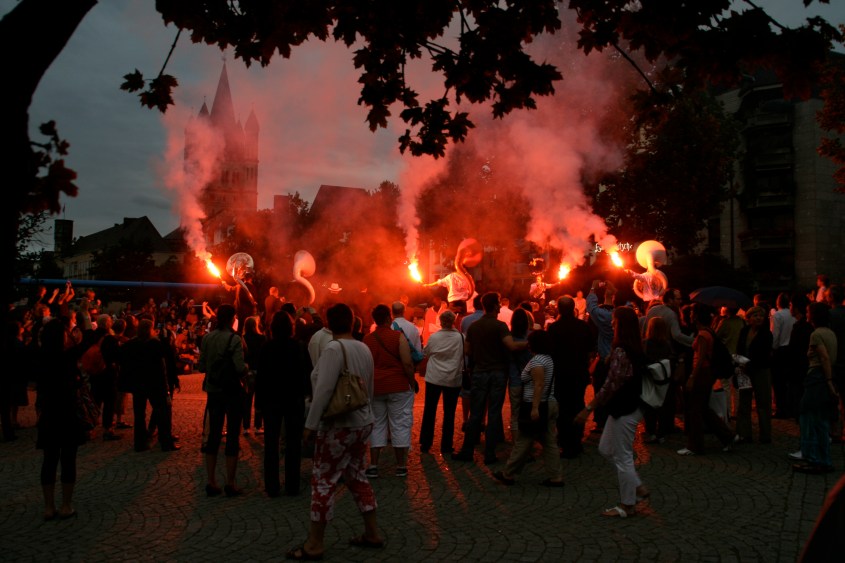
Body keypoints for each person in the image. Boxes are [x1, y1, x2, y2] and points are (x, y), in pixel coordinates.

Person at [285, 303, 382, 560]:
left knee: (323, 481)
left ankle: (315, 543)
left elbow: (324, 391)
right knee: (357, 476)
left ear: (328, 324)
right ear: (352, 322)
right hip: (362, 422)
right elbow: (369, 386)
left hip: (339, 425)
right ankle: (372, 532)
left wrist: (310, 425)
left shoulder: (332, 349)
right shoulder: (363, 348)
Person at [574, 306, 648, 518]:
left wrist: (588, 409)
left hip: (625, 408)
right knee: (606, 448)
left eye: (614, 321)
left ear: (621, 325)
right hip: (625, 407)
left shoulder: (622, 350)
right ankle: (637, 487)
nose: (611, 324)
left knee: (623, 456)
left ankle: (628, 505)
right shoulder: (633, 347)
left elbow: (610, 385)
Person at [452, 292, 527, 465]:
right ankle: (490, 454)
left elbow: (468, 351)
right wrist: (530, 343)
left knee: (475, 413)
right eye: (499, 304)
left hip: (479, 372)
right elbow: (511, 345)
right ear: (494, 306)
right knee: (493, 413)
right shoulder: (500, 327)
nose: (500, 307)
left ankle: (467, 451)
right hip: (498, 373)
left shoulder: (474, 326)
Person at [494, 330, 564, 487]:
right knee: (549, 441)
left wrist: (534, 408)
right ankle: (556, 476)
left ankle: (508, 474)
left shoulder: (537, 361)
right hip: (550, 403)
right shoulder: (549, 359)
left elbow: (538, 384)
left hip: (537, 404)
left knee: (524, 440)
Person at [35, 318, 87, 520]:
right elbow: (84, 339)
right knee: (68, 460)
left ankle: (49, 507)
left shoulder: (40, 359)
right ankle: (66, 505)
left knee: (49, 460)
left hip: (49, 413)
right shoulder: (68, 357)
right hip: (67, 412)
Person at [256, 310, 311, 497]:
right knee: (293, 442)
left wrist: (259, 403)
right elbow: (307, 372)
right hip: (293, 399)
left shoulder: (267, 348)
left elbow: (261, 376)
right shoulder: (299, 346)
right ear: (291, 327)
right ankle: (292, 485)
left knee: (271, 443)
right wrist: (307, 393)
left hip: (271, 400)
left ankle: (272, 485)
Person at [363, 304, 418, 478]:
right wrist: (412, 381)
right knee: (400, 423)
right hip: (398, 386)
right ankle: (400, 465)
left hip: (376, 387)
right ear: (388, 318)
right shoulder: (398, 337)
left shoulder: (368, 339)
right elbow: (407, 363)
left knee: (377, 424)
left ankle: (373, 464)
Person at [198, 304, 246, 496]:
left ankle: (211, 480)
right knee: (233, 435)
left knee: (213, 436)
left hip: (213, 390)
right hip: (232, 391)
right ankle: (230, 482)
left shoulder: (207, 338)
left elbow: (201, 366)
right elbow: (240, 367)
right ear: (232, 318)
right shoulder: (235, 339)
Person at [678, 304, 737, 455]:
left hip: (702, 373)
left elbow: (701, 358)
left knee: (695, 409)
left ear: (697, 316)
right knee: (703, 408)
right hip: (706, 373)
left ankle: (695, 445)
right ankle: (727, 436)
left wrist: (692, 377)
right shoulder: (708, 332)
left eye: (692, 312)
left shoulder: (703, 335)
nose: (690, 315)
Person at [793, 302, 839, 474]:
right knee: (820, 419)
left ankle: (814, 458)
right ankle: (823, 459)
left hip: (817, 377)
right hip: (823, 377)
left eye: (807, 311)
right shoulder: (830, 333)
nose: (806, 314)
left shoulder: (816, 334)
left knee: (808, 417)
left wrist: (827, 380)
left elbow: (825, 358)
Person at [547, 296, 595, 458]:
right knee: (577, 404)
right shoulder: (583, 326)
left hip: (560, 373)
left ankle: (565, 440)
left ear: (558, 310)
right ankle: (576, 440)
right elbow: (590, 351)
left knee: (562, 407)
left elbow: (550, 352)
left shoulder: (554, 329)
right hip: (578, 372)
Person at [121, 319, 180, 452]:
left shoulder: (132, 344)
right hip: (155, 383)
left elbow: (121, 356)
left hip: (138, 384)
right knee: (162, 412)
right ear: (151, 329)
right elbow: (165, 360)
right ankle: (166, 442)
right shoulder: (155, 343)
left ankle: (140, 443)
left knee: (139, 415)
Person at [419, 309, 464, 455]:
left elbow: (425, 353)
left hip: (434, 378)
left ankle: (426, 443)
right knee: (449, 413)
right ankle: (446, 445)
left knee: (429, 410)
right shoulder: (460, 338)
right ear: (453, 321)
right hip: (452, 378)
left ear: (440, 322)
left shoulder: (434, 337)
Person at [735, 306, 773, 444]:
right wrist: (740, 363)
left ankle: (765, 435)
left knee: (763, 403)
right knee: (744, 403)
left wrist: (748, 363)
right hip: (744, 370)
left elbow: (764, 354)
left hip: (760, 370)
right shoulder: (744, 331)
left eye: (761, 316)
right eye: (755, 316)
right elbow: (739, 348)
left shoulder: (766, 334)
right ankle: (744, 433)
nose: (758, 318)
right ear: (749, 318)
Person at [586, 279, 617, 433]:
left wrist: (593, 288)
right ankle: (614, 419)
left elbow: (591, 307)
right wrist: (609, 295)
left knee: (600, 390)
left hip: (605, 360)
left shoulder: (605, 319)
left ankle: (601, 421)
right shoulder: (621, 316)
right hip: (618, 360)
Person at [641, 316, 673, 443]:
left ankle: (651, 431)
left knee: (649, 404)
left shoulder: (646, 343)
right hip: (663, 377)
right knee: (662, 405)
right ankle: (662, 433)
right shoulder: (667, 344)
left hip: (650, 377)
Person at [507, 307, 533, 443]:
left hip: (514, 380)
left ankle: (517, 444)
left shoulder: (508, 338)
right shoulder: (532, 337)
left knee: (515, 413)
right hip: (530, 381)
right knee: (529, 412)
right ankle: (527, 444)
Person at [771, 292, 796, 418]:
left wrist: (773, 348)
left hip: (780, 350)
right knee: (789, 381)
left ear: (777, 303)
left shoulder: (777, 316)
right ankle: (791, 407)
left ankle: (781, 409)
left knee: (779, 382)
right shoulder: (793, 315)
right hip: (791, 349)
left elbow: (775, 334)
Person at [241, 315, 266, 436]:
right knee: (259, 400)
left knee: (247, 400)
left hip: (248, 371)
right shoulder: (262, 338)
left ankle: (246, 427)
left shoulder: (243, 338)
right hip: (260, 371)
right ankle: (258, 426)